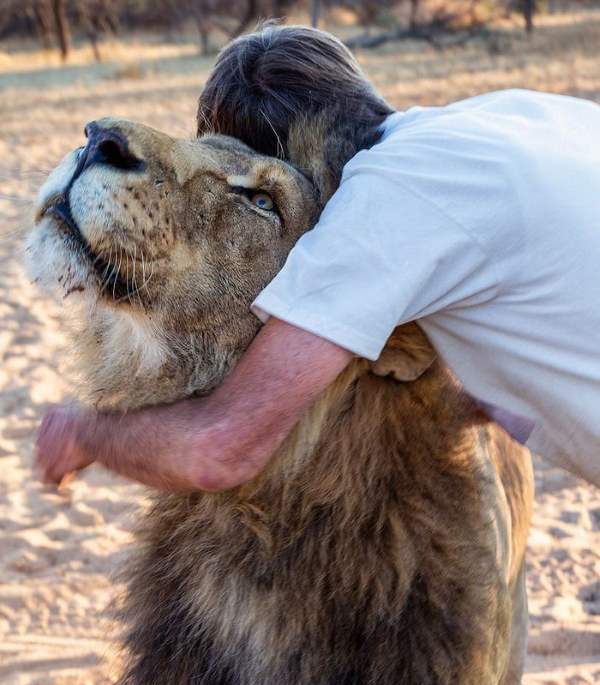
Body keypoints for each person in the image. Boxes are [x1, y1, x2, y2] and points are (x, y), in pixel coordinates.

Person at [36, 25, 600, 491]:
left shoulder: (376, 209)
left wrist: (86, 435)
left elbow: (219, 448)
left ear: (313, 176)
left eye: (257, 193)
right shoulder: (504, 115)